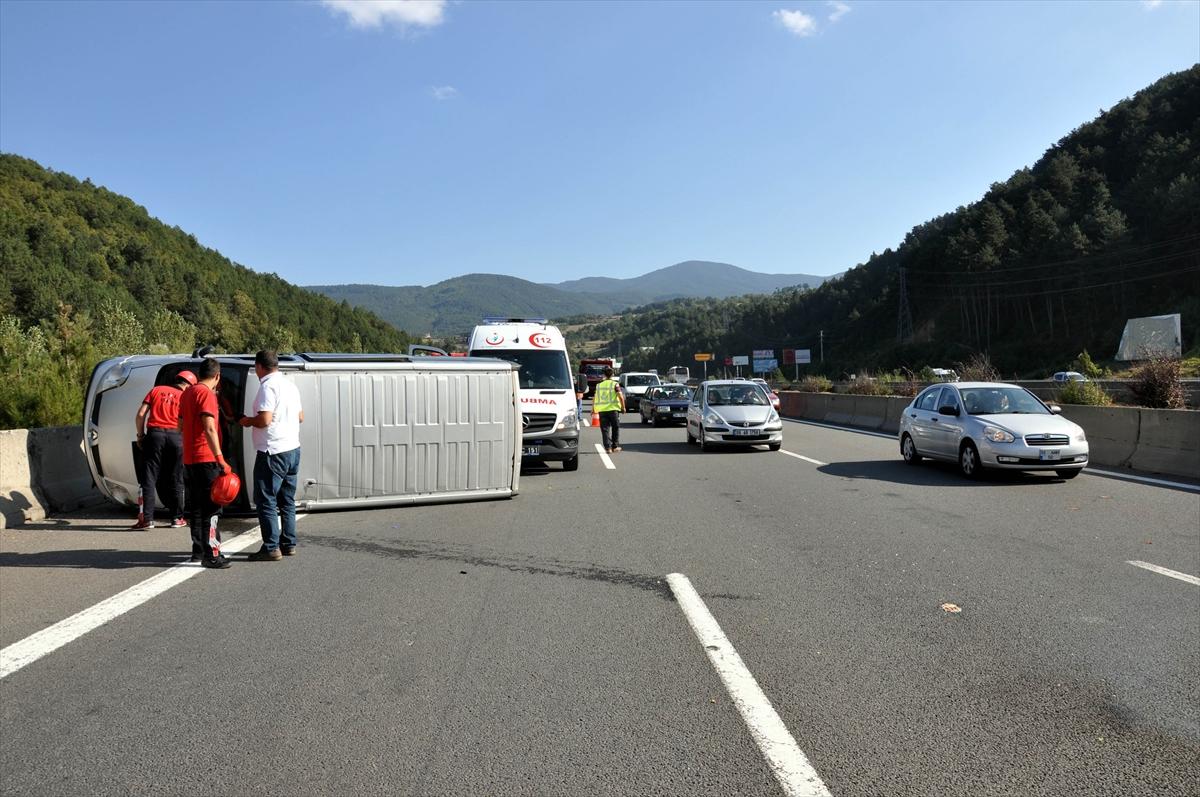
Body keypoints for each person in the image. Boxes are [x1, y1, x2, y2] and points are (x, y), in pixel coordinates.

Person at [239, 350, 304, 561]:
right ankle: (288, 543)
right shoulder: (290, 385)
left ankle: (270, 547)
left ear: (259, 366)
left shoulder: (267, 387)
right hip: (292, 448)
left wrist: (248, 421)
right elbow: (300, 417)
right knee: (286, 499)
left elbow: (265, 420)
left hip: (272, 451)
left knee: (265, 499)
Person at [179, 357, 232, 569]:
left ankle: (198, 550)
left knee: (197, 508)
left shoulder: (187, 393)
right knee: (212, 509)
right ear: (217, 377)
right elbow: (209, 427)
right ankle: (212, 554)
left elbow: (180, 425)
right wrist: (220, 459)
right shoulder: (207, 394)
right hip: (206, 458)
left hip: (190, 459)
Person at [131, 370, 196, 529]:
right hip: (176, 437)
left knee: (149, 477)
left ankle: (147, 519)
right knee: (176, 478)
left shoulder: (156, 390)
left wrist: (140, 436)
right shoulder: (186, 397)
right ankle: (177, 518)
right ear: (188, 385)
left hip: (155, 435)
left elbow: (140, 415)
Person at [593, 365, 625, 453]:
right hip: (613, 410)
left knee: (605, 429)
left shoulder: (598, 385)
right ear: (612, 375)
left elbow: (595, 398)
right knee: (615, 427)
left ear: (604, 374)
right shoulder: (615, 384)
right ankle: (615, 446)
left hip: (602, 411)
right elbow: (620, 396)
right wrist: (623, 407)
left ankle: (608, 448)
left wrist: (593, 409)